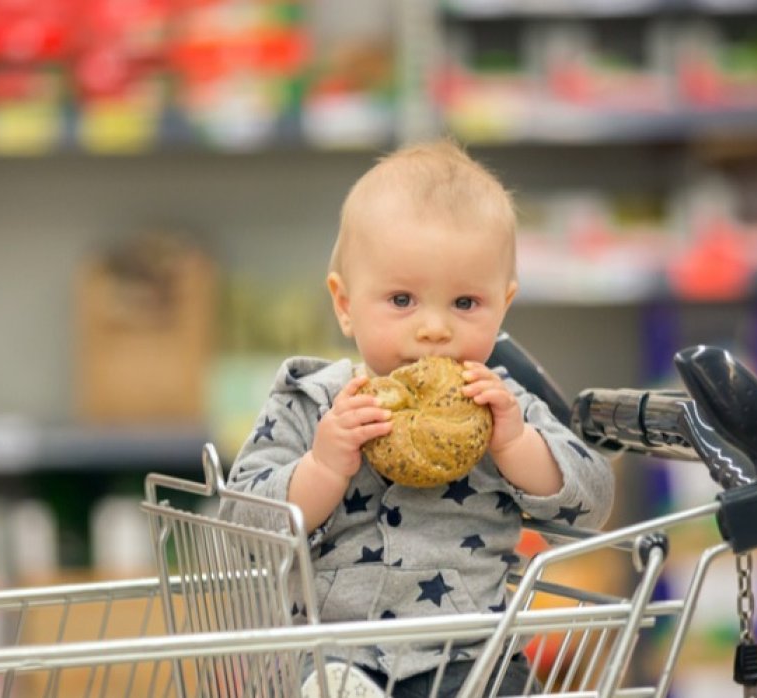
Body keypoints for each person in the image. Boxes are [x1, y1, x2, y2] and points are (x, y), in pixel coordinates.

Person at [219, 140, 614, 697]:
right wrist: (323, 466)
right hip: (334, 650)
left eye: (465, 304)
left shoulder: (505, 404)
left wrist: (518, 446)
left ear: (504, 304)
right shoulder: (308, 400)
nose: (434, 329)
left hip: (472, 656)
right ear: (344, 303)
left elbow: (593, 500)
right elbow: (241, 523)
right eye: (402, 300)